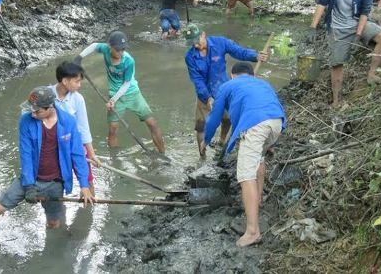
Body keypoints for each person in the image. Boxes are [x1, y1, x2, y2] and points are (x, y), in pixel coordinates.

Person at [0, 86, 95, 231]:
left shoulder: (68, 122)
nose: (33, 114)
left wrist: (84, 186)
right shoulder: (26, 121)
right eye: (31, 110)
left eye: (37, 111)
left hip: (55, 183)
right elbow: (26, 155)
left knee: (53, 224)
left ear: (50, 107)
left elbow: (77, 155)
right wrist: (29, 186)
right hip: (31, 178)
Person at [202, 62, 286, 247]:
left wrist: (205, 140)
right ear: (251, 75)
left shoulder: (228, 85)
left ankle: (253, 231)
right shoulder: (263, 83)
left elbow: (215, 118)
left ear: (232, 75)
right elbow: (276, 106)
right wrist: (273, 140)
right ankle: (259, 199)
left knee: (245, 175)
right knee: (259, 158)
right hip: (276, 123)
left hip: (256, 125)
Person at [183, 24, 268, 159]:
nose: (196, 46)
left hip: (224, 89)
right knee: (201, 126)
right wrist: (208, 98)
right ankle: (202, 155)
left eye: (197, 41)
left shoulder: (220, 42)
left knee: (227, 118)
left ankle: (222, 141)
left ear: (203, 34)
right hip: (204, 94)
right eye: (193, 44)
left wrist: (255, 56)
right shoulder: (190, 57)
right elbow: (197, 80)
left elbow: (238, 51)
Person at [74, 31, 165, 153]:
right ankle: (115, 158)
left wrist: (113, 100)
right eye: (117, 50)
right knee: (113, 129)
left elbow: (126, 84)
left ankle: (162, 153)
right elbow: (94, 46)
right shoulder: (105, 49)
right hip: (114, 95)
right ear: (110, 47)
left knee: (152, 123)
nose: (120, 53)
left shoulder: (128, 61)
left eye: (123, 50)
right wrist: (79, 57)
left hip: (133, 94)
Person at [51, 61, 101, 195]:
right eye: (77, 81)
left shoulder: (78, 99)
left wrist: (91, 153)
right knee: (57, 180)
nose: (79, 85)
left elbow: (83, 128)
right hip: (56, 146)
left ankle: (89, 207)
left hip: (75, 144)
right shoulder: (46, 95)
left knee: (87, 178)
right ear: (65, 81)